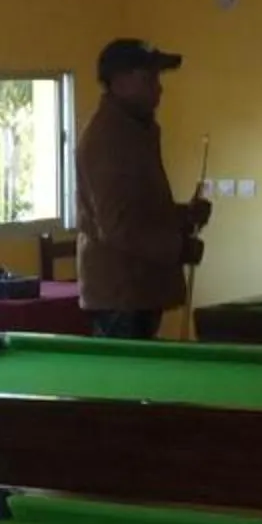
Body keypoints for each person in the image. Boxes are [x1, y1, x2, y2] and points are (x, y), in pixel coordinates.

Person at [74, 37, 211, 340]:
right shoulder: (108, 139)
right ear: (120, 82)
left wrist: (183, 217)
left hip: (137, 290)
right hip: (119, 293)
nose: (159, 88)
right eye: (149, 78)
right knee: (123, 385)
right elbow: (118, 226)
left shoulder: (135, 131)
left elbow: (141, 209)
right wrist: (178, 248)